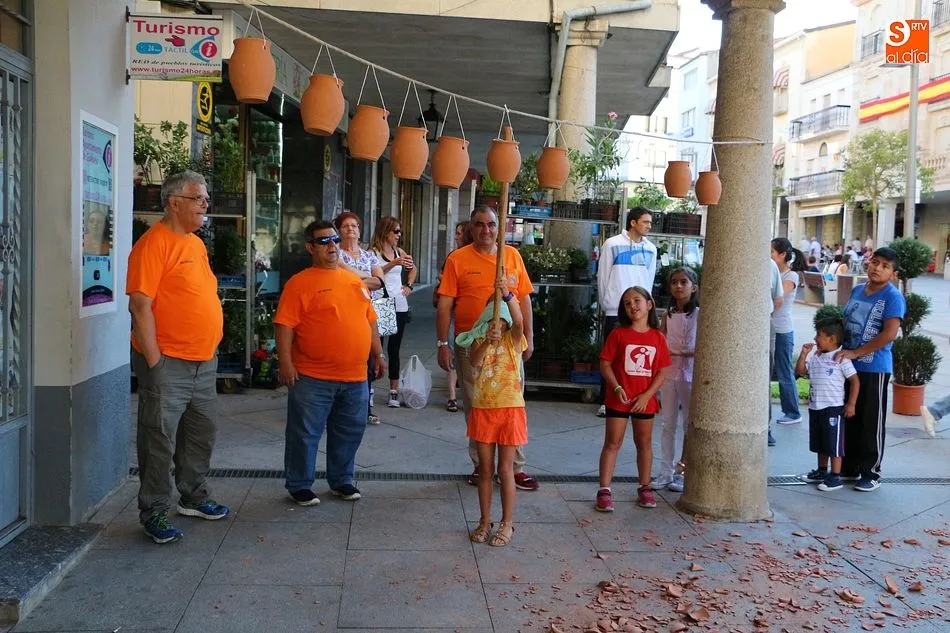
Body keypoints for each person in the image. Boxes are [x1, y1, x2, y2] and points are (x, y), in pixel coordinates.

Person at [126, 170, 229, 544]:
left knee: (200, 434)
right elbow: (140, 306)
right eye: (198, 199)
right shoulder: (154, 244)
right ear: (174, 203)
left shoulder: (194, 244)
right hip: (169, 363)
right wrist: (155, 362)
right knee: (158, 439)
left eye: (205, 198)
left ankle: (193, 496)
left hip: (204, 361)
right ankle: (153, 511)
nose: (205, 205)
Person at [275, 220, 385, 506]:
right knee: (304, 434)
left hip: (355, 376)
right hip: (312, 376)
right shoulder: (299, 283)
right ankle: (299, 484)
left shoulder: (353, 281)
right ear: (310, 247)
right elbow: (284, 326)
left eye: (334, 240)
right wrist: (285, 363)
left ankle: (341, 480)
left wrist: (378, 353)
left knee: (349, 431)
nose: (332, 246)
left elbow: (370, 319)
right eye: (324, 241)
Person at [436, 206, 540, 490]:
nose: (486, 230)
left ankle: (515, 467)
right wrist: (442, 343)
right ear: (471, 227)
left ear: (499, 227)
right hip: (473, 346)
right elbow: (445, 305)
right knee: (476, 406)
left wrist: (527, 336)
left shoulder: (513, 256)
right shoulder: (457, 259)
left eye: (491, 224)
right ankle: (481, 465)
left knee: (512, 403)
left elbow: (525, 299)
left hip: (508, 346)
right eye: (480, 225)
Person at [458, 281, 527, 547]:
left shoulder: (514, 340)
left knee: (505, 469)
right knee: (485, 469)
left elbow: (520, 321)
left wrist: (509, 295)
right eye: (491, 319)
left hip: (510, 409)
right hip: (483, 410)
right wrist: (486, 340)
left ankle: (507, 523)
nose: (496, 324)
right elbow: (474, 362)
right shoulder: (479, 339)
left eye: (501, 320)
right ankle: (485, 520)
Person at [595, 286, 671, 512]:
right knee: (612, 443)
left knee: (644, 443)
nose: (632, 306)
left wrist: (648, 395)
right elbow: (605, 363)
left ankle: (644, 486)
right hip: (620, 398)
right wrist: (616, 386)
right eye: (627, 303)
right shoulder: (618, 334)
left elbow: (662, 370)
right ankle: (604, 490)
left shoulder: (658, 337)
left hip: (644, 400)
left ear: (649, 304)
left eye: (637, 300)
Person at [837, 247, 905, 491]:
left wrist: (858, 352)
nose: (877, 268)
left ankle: (871, 472)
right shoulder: (857, 290)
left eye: (885, 266)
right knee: (850, 417)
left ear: (893, 273)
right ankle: (849, 468)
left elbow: (889, 333)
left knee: (870, 421)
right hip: (848, 365)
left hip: (874, 367)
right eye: (875, 262)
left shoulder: (892, 296)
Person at [596, 207, 658, 417]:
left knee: (638, 357)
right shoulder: (612, 244)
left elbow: (649, 278)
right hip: (616, 309)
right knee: (612, 358)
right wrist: (609, 304)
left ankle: (637, 397)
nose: (649, 226)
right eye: (646, 222)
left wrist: (646, 308)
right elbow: (603, 277)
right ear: (633, 222)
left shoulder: (651, 249)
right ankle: (607, 400)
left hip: (642, 313)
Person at [795, 318, 859, 491]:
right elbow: (800, 372)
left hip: (833, 408)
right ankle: (822, 471)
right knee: (820, 442)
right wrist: (804, 354)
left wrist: (851, 404)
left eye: (819, 335)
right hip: (816, 407)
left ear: (831, 339)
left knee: (833, 444)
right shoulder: (815, 357)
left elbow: (855, 381)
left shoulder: (841, 359)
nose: (815, 339)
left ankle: (835, 477)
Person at [335, 211, 385, 425]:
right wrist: (367, 278)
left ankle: (365, 408)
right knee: (344, 360)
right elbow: (342, 274)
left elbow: (380, 281)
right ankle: (340, 408)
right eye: (346, 226)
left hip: (367, 316)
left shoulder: (369, 256)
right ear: (339, 230)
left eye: (354, 226)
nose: (350, 230)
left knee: (369, 361)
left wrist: (354, 280)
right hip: (342, 316)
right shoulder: (335, 253)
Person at [655, 267, 699, 492]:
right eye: (674, 282)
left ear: (694, 287)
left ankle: (683, 468)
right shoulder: (668, 314)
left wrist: (681, 353)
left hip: (691, 374)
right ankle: (665, 471)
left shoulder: (699, 314)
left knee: (688, 424)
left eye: (684, 282)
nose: (679, 286)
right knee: (667, 424)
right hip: (670, 374)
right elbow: (661, 340)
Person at [371, 216, 416, 408]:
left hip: (399, 303)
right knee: (376, 349)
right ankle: (370, 389)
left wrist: (409, 285)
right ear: (385, 231)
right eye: (395, 231)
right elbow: (375, 272)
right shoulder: (373, 253)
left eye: (400, 231)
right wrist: (393, 263)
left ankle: (393, 390)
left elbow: (413, 268)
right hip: (381, 302)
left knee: (394, 348)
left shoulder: (399, 251)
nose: (399, 235)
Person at [433, 221, 472, 413]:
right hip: (453, 310)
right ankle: (452, 396)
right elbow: (441, 275)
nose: (456, 236)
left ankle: (462, 395)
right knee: (454, 354)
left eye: (459, 233)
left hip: (466, 314)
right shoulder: (454, 257)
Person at [771, 238, 805, 425]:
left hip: (783, 330)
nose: (768, 256)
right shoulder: (773, 273)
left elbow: (778, 298)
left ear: (782, 255)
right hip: (771, 329)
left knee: (784, 371)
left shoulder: (790, 276)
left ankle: (792, 412)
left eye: (772, 252)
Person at [768, 258, 783, 447]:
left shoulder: (770, 265)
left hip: (764, 323)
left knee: (764, 379)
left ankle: (765, 426)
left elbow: (778, 298)